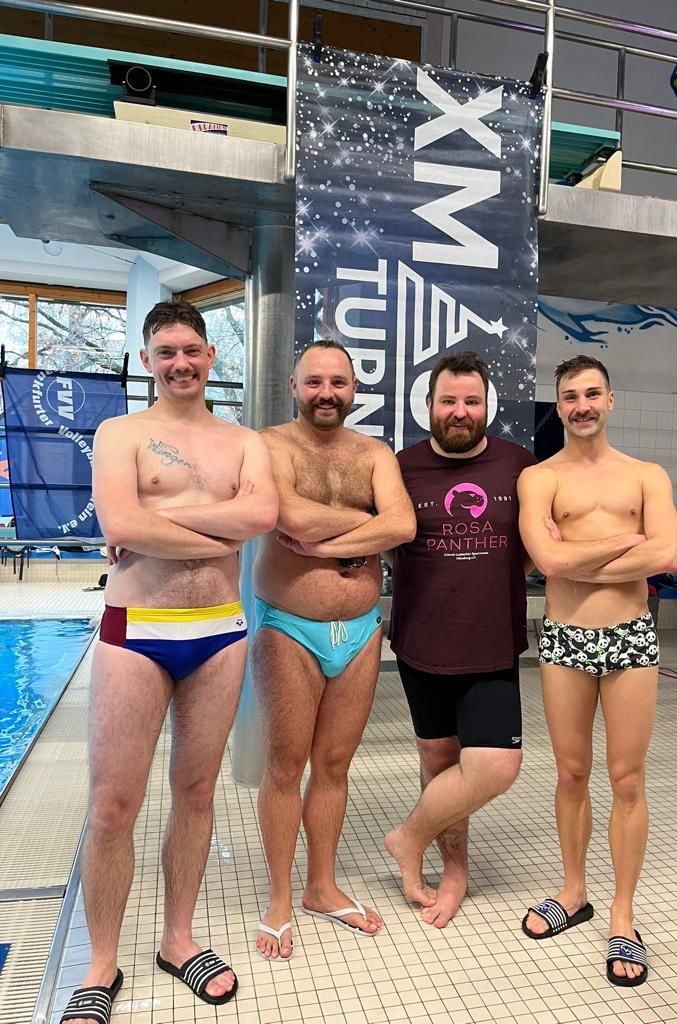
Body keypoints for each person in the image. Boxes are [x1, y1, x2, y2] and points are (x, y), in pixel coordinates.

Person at [59, 300, 278, 1024]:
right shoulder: (120, 432)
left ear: (211, 355)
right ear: (147, 360)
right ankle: (100, 964)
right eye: (165, 352)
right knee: (111, 806)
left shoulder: (244, 442)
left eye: (191, 350)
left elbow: (261, 519)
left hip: (220, 631)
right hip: (137, 629)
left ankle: (178, 940)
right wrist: (213, 528)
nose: (180, 363)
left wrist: (157, 523)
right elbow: (119, 523)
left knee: (196, 793)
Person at [517, 355, 677, 988]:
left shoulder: (646, 475)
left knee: (627, 779)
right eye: (570, 396)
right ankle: (574, 891)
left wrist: (574, 555)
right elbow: (547, 563)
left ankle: (623, 915)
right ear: (558, 406)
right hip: (565, 638)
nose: (581, 406)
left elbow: (667, 554)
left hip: (631, 635)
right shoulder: (539, 478)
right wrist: (626, 545)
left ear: (611, 400)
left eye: (592, 394)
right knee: (571, 771)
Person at [251, 340, 416, 961]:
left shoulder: (375, 454)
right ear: (295, 386)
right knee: (284, 765)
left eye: (338, 383)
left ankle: (320, 886)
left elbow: (403, 525)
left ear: (354, 389)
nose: (327, 393)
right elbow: (288, 516)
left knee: (335, 764)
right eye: (315, 382)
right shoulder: (269, 445)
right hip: (289, 626)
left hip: (362, 628)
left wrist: (322, 545)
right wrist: (364, 526)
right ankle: (279, 898)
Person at [383, 351, 535, 928]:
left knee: (495, 766)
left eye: (472, 401)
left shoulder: (518, 465)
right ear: (428, 405)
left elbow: (532, 545)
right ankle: (453, 870)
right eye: (449, 400)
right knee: (440, 762)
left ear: (486, 406)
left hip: (491, 641)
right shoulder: (401, 467)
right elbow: (384, 541)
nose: (460, 411)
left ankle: (408, 836)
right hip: (422, 640)